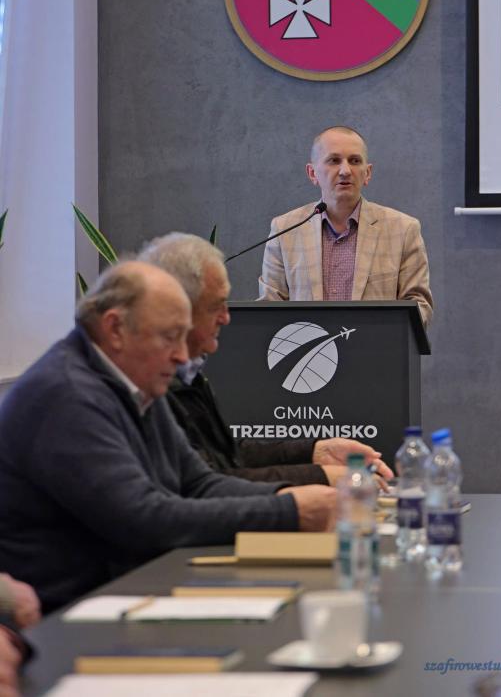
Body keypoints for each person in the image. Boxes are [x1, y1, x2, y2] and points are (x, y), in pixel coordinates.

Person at [0, 262, 335, 613]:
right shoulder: (67, 394)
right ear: (115, 328)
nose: (181, 355)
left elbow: (199, 483)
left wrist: (289, 497)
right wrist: (289, 511)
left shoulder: (136, 379)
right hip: (68, 615)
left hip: (132, 590)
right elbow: (143, 520)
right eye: (169, 336)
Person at [138, 233, 393, 486]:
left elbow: (226, 456)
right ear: (179, 307)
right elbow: (206, 483)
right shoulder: (150, 385)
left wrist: (315, 452)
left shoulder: (189, 375)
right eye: (216, 306)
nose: (226, 318)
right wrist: (321, 477)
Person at [259, 126, 433, 326]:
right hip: (307, 346)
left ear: (367, 173)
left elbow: (419, 307)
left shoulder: (403, 230)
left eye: (355, 161)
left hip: (374, 345)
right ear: (312, 173)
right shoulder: (284, 230)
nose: (345, 171)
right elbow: (268, 310)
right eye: (334, 160)